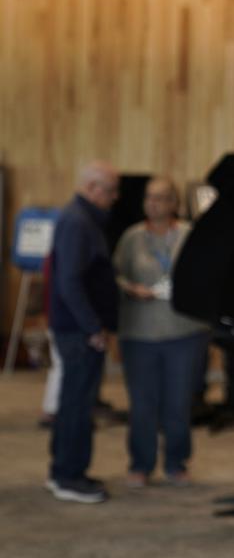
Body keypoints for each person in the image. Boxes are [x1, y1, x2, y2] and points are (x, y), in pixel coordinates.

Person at [113, 176, 209, 488]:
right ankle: (140, 464)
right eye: (149, 198)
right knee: (142, 404)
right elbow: (114, 276)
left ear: (174, 203)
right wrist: (131, 287)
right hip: (140, 334)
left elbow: (204, 274)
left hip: (183, 331)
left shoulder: (189, 235)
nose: (153, 203)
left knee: (178, 402)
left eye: (161, 198)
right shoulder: (131, 238)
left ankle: (176, 462)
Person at [46, 161, 120, 504]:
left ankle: (64, 469)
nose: (115, 197)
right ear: (93, 189)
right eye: (112, 190)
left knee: (74, 401)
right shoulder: (78, 221)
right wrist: (92, 327)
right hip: (78, 331)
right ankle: (68, 476)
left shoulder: (82, 218)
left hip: (77, 327)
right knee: (78, 403)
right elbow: (70, 282)